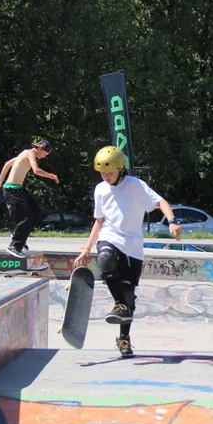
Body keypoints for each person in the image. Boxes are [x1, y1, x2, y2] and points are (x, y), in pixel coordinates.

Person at [74, 146, 183, 358]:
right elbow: (99, 221)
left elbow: (161, 202)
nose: (106, 177)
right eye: (102, 174)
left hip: (133, 247)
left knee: (129, 297)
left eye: (110, 173)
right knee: (105, 258)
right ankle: (119, 303)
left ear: (121, 169)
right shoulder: (100, 190)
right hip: (110, 237)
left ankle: (124, 337)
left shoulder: (135, 185)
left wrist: (172, 220)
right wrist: (87, 248)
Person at [0, 139, 59, 257]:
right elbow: (36, 170)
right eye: (45, 153)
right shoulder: (30, 154)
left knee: (36, 212)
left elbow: (8, 163)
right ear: (39, 148)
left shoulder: (24, 153)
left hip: (18, 189)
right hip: (12, 191)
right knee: (27, 218)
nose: (45, 156)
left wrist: (1, 179)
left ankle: (18, 234)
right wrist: (51, 176)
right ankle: (14, 245)